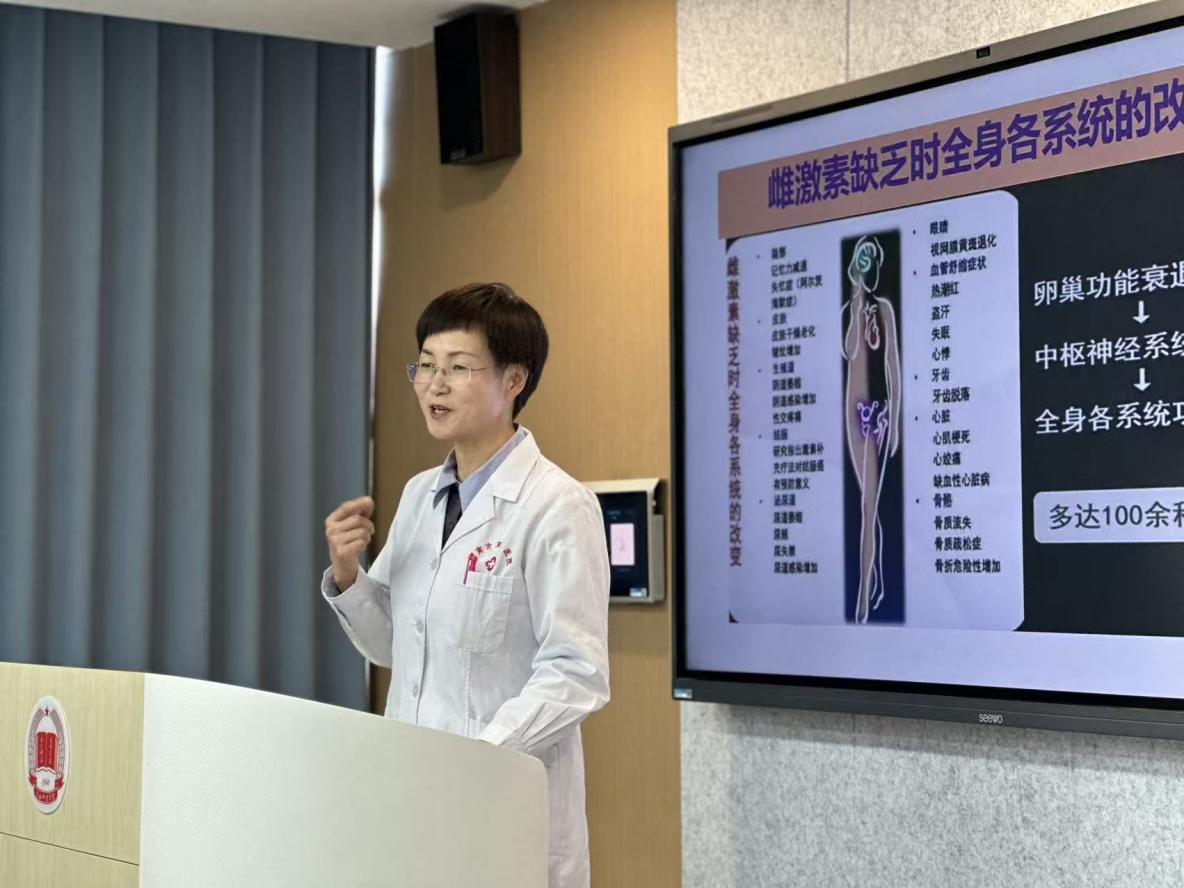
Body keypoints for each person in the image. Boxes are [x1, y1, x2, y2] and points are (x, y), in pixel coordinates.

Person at [321, 282, 610, 888]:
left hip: (503, 803)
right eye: (425, 366)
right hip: (416, 795)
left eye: (458, 367)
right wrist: (348, 574)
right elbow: (393, 646)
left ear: (514, 380)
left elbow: (576, 672)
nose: (435, 384)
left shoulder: (557, 505)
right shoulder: (419, 495)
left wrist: (477, 757)